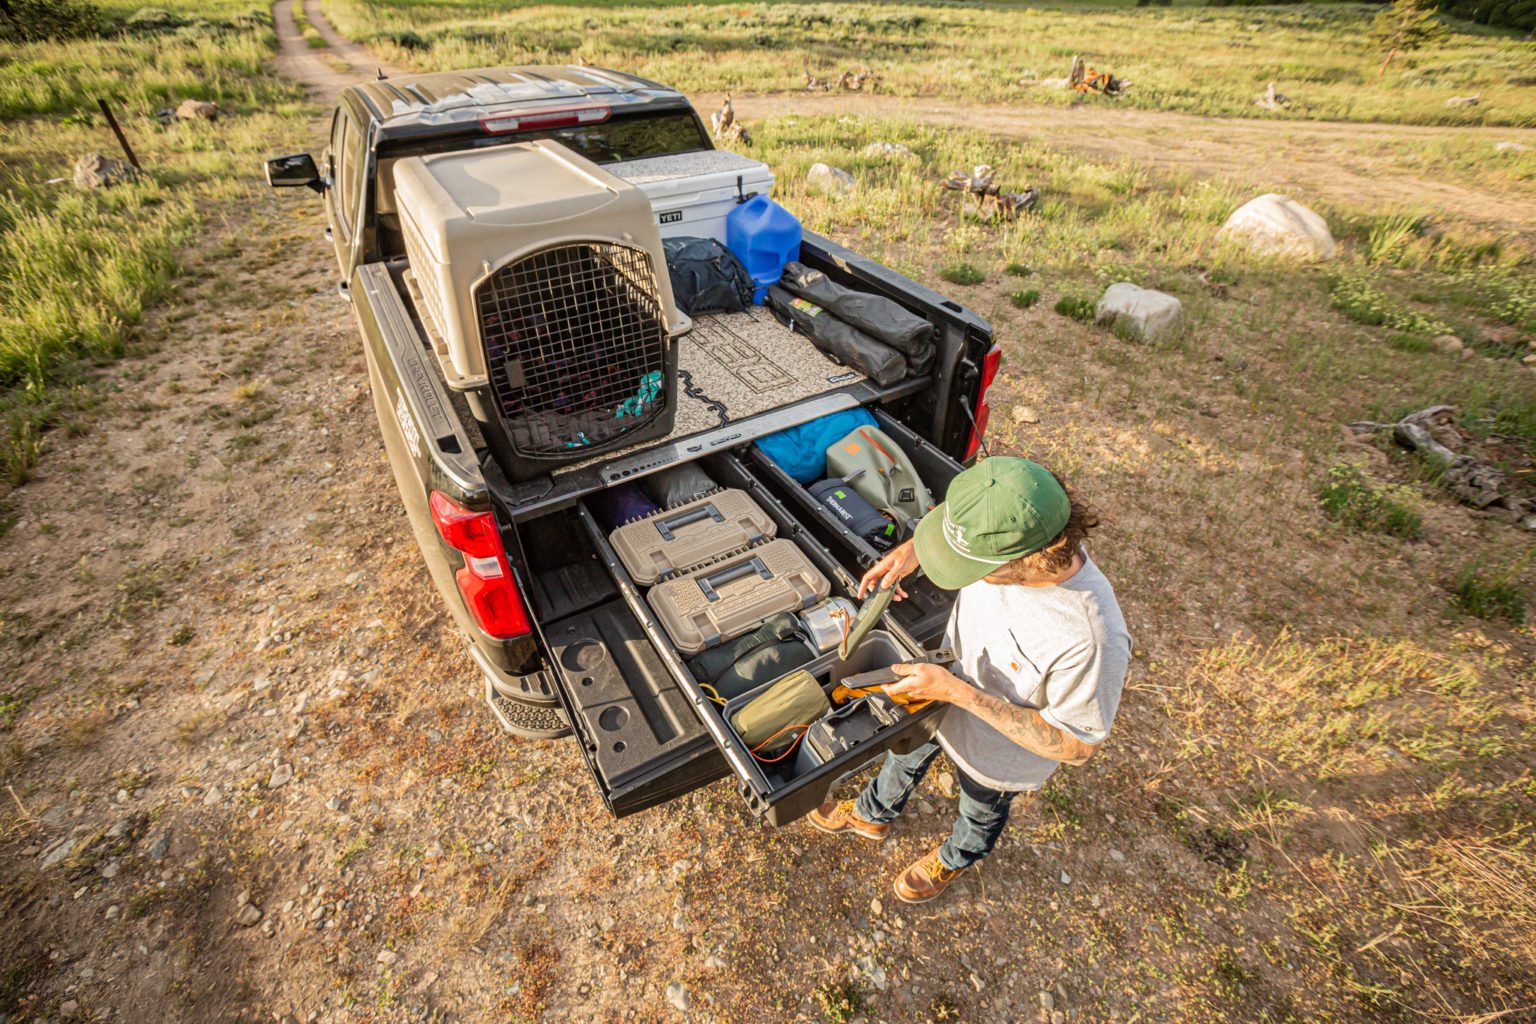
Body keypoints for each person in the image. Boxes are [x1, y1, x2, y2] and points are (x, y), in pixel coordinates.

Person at [807, 457, 1131, 903]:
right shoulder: (999, 511)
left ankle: (957, 857)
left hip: (996, 756)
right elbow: (947, 529)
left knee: (980, 812)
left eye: (967, 564)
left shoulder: (1091, 637)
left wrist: (957, 693)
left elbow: (1076, 746)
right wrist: (914, 551)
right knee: (903, 757)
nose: (955, 569)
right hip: (936, 694)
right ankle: (872, 813)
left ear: (1029, 560)